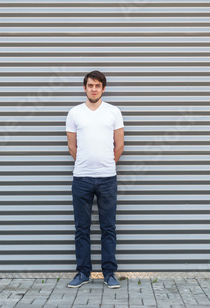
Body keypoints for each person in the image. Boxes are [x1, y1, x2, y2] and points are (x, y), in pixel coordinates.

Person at [65, 70, 124, 289]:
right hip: (81, 179)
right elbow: (72, 147)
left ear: (103, 88)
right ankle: (83, 273)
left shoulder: (114, 112)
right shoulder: (74, 113)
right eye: (90, 85)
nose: (94, 89)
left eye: (98, 86)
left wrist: (106, 163)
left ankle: (109, 273)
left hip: (107, 178)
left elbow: (119, 145)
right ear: (84, 88)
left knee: (108, 227)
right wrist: (86, 163)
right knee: (82, 228)